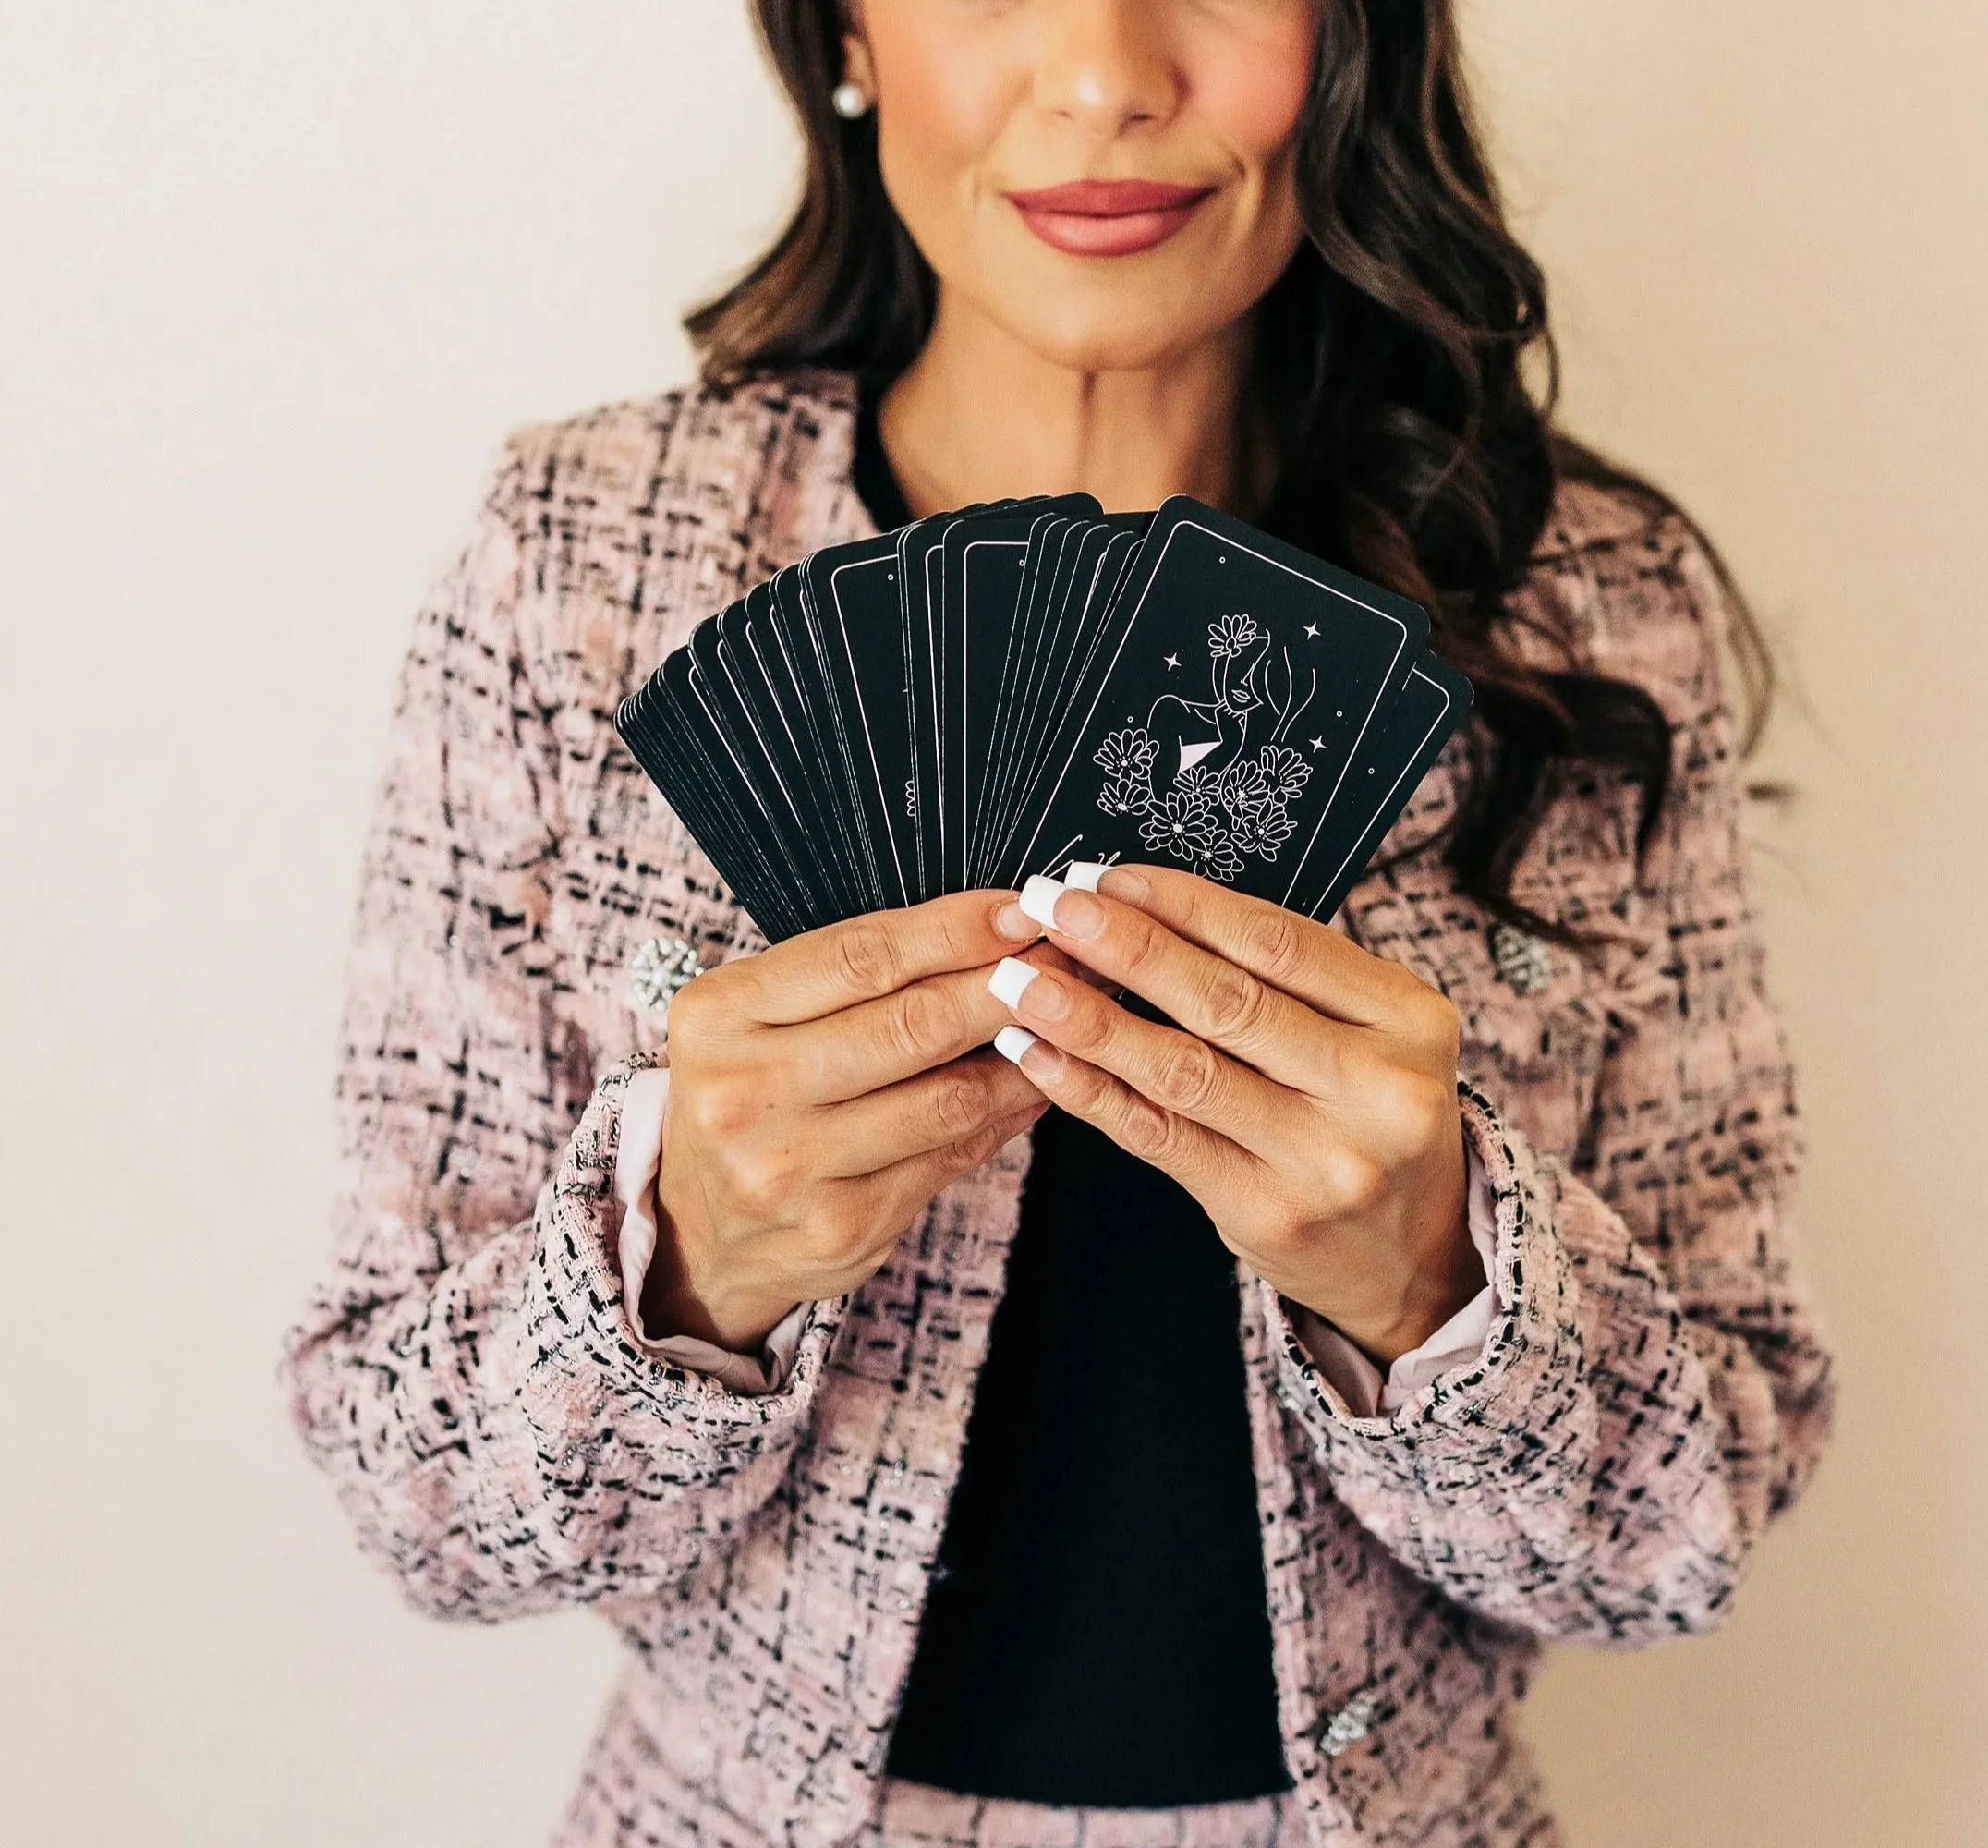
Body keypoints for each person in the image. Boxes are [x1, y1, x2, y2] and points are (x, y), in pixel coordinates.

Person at [282, 4, 1836, 1844]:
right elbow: (419, 1502)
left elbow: (1683, 1535)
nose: (1103, 75)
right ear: (842, 32)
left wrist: (1434, 1282)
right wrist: (687, 1261)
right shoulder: (579, 566)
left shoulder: (1587, 614)